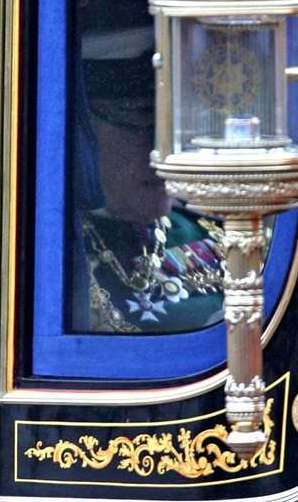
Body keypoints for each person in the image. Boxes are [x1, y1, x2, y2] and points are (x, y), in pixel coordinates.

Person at [71, 18, 225, 335]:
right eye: (143, 126)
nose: (163, 152)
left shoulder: (209, 231)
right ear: (82, 133)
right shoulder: (42, 254)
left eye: (173, 131)